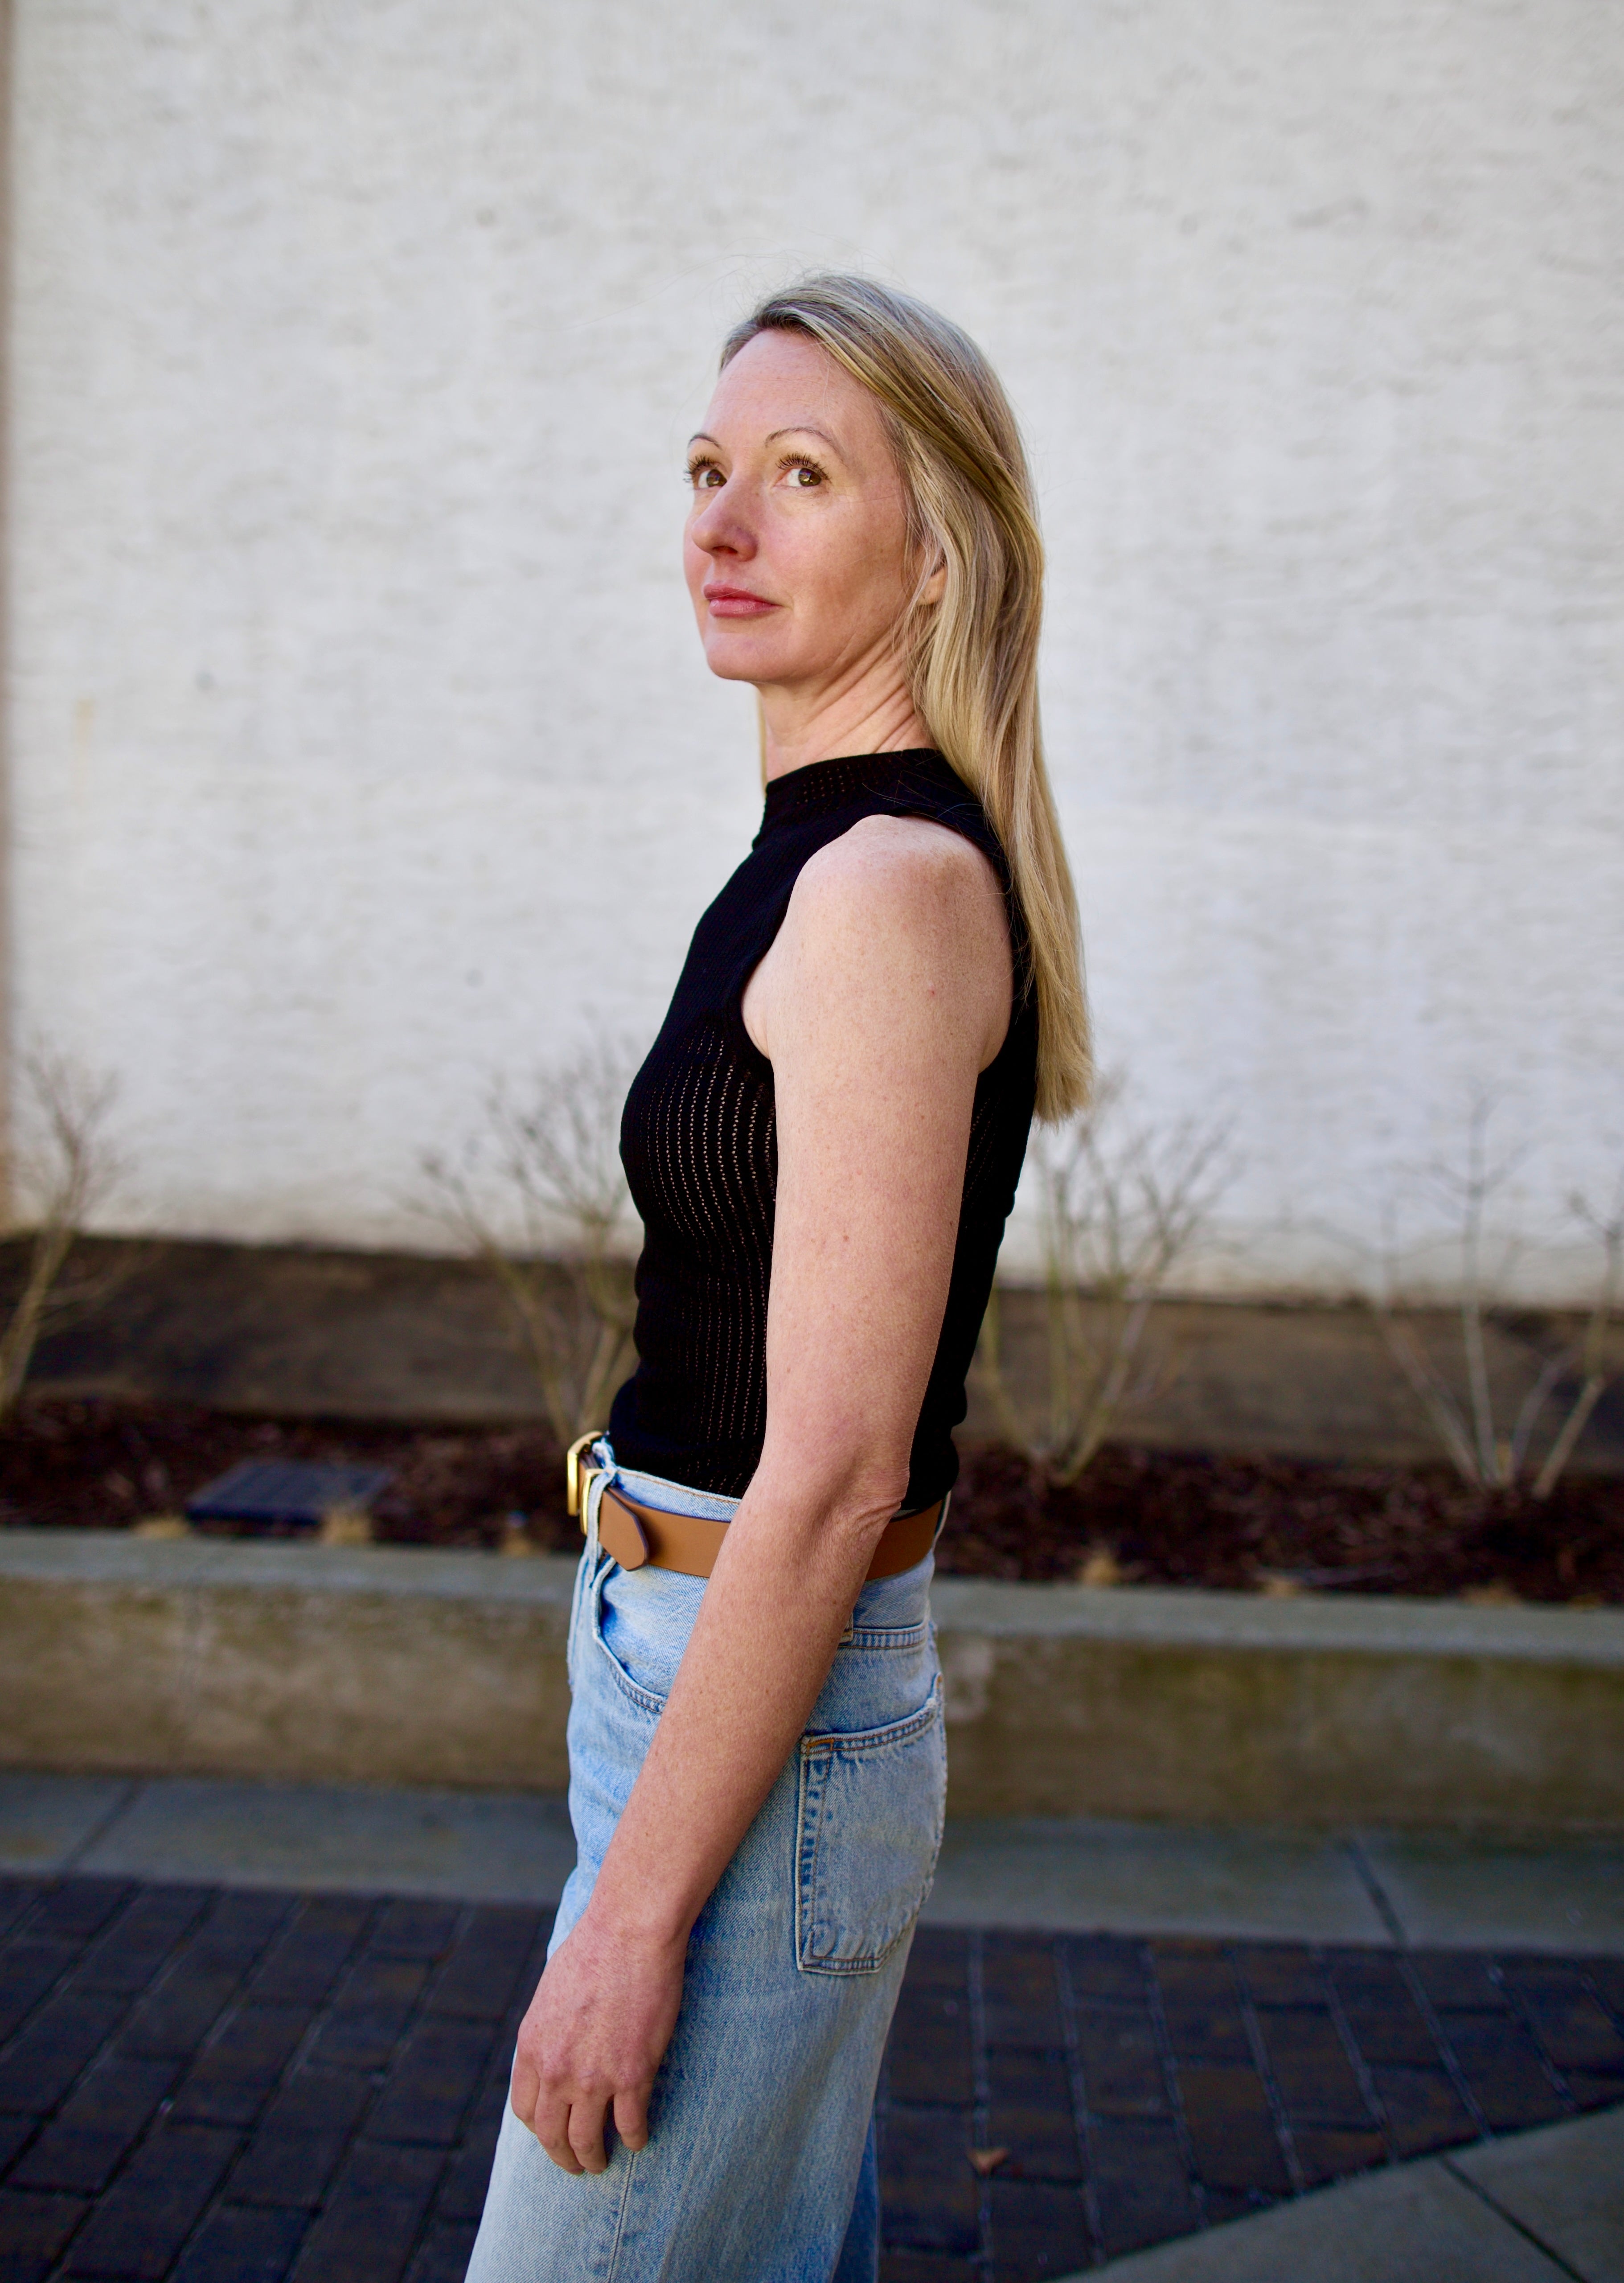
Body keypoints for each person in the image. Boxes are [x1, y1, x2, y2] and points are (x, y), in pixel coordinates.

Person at [468, 272, 1089, 2283]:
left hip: (755, 1683)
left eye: (801, 476)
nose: (722, 527)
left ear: (935, 557)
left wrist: (632, 1922)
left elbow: (825, 1467)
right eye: (707, 470)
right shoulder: (819, 851)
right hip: (690, 1660)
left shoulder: (890, 887)